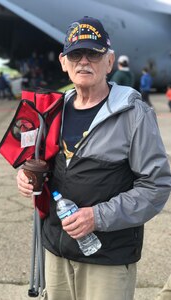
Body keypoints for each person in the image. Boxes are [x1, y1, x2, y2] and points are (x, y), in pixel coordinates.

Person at [16, 16, 171, 300]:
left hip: (107, 257)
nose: (84, 61)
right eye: (76, 54)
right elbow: (44, 164)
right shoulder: (53, 111)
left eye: (93, 54)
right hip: (56, 249)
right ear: (64, 62)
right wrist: (27, 177)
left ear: (109, 62)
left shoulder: (134, 114)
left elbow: (156, 187)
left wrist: (97, 217)